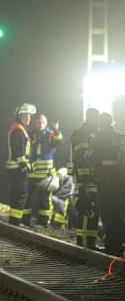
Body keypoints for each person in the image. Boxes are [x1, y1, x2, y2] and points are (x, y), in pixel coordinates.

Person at [90, 112, 125, 256]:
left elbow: (94, 158)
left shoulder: (98, 137)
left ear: (100, 123)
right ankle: (118, 244)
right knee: (119, 213)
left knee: (107, 214)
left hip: (105, 181)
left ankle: (112, 247)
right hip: (120, 182)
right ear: (112, 122)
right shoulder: (120, 137)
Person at [69, 107, 101, 249]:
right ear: (90, 118)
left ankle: (91, 241)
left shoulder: (91, 133)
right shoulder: (82, 134)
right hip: (85, 177)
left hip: (92, 177)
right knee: (86, 208)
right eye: (95, 118)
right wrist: (85, 178)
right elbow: (80, 157)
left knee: (93, 209)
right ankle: (83, 242)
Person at [27, 114, 62, 227]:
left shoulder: (50, 134)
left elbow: (59, 140)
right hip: (32, 173)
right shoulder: (31, 134)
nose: (40, 125)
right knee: (26, 196)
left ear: (46, 123)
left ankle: (44, 222)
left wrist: (56, 129)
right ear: (35, 123)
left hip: (46, 174)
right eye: (38, 122)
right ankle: (25, 220)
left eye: (42, 122)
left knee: (44, 199)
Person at [6, 103, 36, 226]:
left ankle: (16, 221)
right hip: (18, 168)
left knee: (17, 194)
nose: (28, 118)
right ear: (20, 116)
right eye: (26, 116)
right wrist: (24, 165)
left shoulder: (17, 127)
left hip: (14, 167)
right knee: (21, 194)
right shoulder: (18, 129)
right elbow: (19, 150)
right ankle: (16, 222)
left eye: (29, 115)